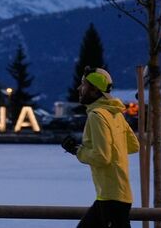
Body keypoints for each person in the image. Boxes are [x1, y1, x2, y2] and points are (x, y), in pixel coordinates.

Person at [62, 66, 140, 228]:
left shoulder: (96, 115)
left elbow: (102, 157)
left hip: (111, 198)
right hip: (117, 195)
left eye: (83, 85)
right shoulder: (115, 113)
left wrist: (78, 151)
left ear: (94, 91)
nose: (79, 88)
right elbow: (133, 146)